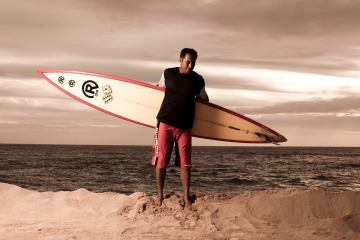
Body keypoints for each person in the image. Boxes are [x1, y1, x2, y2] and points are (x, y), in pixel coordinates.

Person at [151, 48, 209, 208]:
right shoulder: (168, 73)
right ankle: (160, 196)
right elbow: (157, 88)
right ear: (180, 60)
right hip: (165, 122)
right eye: (188, 62)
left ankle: (186, 198)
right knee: (161, 161)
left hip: (185, 126)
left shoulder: (198, 80)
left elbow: (204, 98)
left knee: (186, 163)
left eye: (194, 63)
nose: (191, 65)